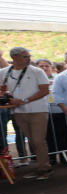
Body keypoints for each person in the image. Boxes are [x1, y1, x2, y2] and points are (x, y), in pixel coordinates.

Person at [0, 47, 52, 180]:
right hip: (18, 111)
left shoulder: (37, 71)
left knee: (38, 141)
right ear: (14, 58)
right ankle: (42, 167)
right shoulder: (4, 72)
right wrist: (6, 97)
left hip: (38, 111)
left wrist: (24, 100)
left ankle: (44, 168)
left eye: (29, 56)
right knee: (33, 141)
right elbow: (2, 89)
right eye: (25, 57)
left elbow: (45, 90)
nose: (29, 59)